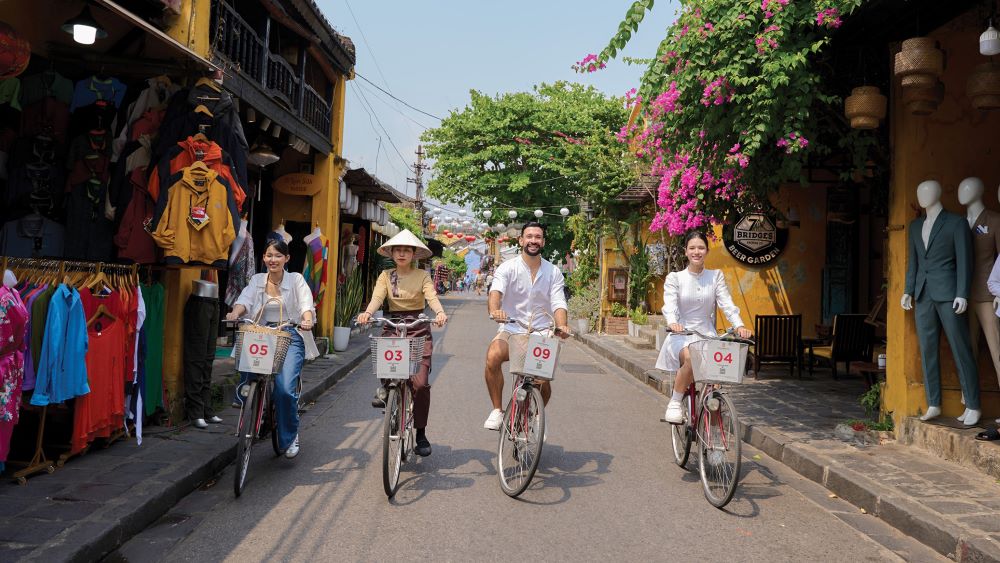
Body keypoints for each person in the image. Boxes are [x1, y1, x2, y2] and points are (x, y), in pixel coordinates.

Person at [357, 229, 447, 457]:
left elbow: (431, 297)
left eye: (407, 250)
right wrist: (368, 312)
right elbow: (378, 297)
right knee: (385, 359)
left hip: (418, 328)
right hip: (393, 324)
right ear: (392, 253)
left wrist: (439, 312)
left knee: (420, 383)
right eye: (398, 249)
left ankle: (421, 432)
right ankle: (388, 389)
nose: (402, 253)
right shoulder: (386, 275)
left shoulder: (422, 276)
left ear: (414, 253)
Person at [225, 239, 317, 459]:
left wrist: (306, 319)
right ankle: (246, 397)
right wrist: (234, 314)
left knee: (284, 389)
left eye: (277, 255)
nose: (272, 260)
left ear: (286, 259)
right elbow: (244, 300)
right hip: (261, 333)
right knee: (247, 355)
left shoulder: (295, 280)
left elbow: (306, 304)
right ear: (263, 258)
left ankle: (290, 434)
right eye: (268, 255)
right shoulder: (257, 279)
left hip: (290, 334)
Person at [656, 231, 752, 424]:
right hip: (682, 334)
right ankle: (675, 402)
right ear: (686, 251)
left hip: (707, 335)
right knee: (692, 360)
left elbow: (726, 303)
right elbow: (670, 304)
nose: (696, 252)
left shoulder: (715, 277)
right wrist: (673, 322)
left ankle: (714, 441)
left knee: (714, 391)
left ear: (707, 251)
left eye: (700, 248)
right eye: (692, 248)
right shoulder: (676, 278)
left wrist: (739, 325)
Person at [483, 222, 571, 430]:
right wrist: (496, 311)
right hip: (512, 328)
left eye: (538, 237)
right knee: (493, 356)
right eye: (529, 236)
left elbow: (558, 302)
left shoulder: (553, 272)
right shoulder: (507, 267)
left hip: (542, 331)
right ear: (521, 240)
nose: (533, 240)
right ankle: (497, 410)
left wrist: (562, 326)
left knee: (542, 381)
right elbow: (495, 292)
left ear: (543, 242)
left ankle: (537, 414)